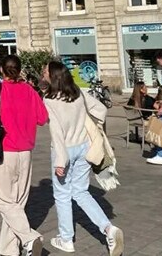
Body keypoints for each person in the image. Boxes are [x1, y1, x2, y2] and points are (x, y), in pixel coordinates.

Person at [42, 61, 124, 255]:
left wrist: (60, 161)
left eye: (45, 71)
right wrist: (92, 124)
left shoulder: (50, 100)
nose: (43, 73)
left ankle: (66, 239)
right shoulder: (77, 93)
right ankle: (107, 229)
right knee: (81, 191)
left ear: (52, 76)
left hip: (65, 149)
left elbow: (57, 132)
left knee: (62, 195)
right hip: (84, 146)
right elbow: (101, 110)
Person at [0, 55, 49, 256]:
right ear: (19, 70)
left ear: (1, 69)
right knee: (18, 202)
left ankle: (29, 237)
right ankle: (9, 249)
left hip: (3, 151)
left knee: (5, 202)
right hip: (25, 151)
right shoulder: (29, 90)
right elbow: (43, 118)